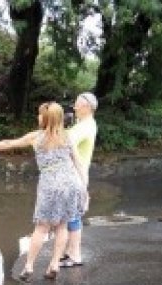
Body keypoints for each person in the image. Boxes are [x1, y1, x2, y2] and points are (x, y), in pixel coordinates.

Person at [0, 102, 87, 281]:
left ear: (47, 118)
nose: (38, 117)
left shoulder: (37, 137)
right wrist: (84, 188)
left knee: (42, 227)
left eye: (40, 114)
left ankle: (29, 266)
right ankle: (55, 264)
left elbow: (8, 143)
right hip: (71, 183)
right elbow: (78, 163)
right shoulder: (67, 137)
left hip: (50, 183)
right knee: (63, 225)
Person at [60, 92, 98, 268]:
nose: (74, 107)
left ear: (86, 107)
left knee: (73, 217)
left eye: (76, 104)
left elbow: (65, 142)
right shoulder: (83, 124)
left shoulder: (85, 126)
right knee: (70, 216)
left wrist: (56, 126)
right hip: (73, 176)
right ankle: (69, 252)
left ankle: (75, 255)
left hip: (75, 177)